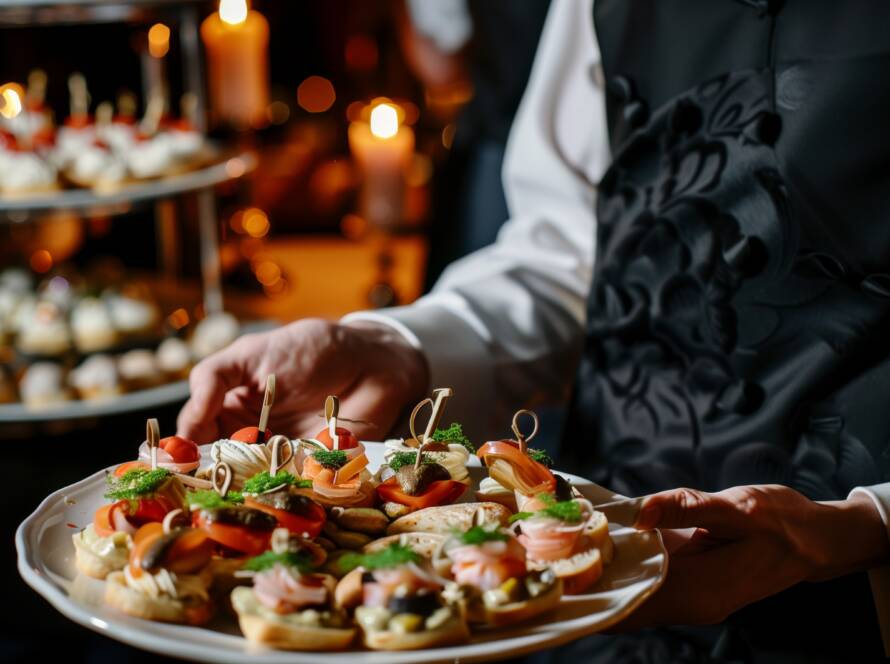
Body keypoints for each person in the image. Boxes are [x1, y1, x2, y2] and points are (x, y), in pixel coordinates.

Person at [178, 0, 890, 659]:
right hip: (592, 577)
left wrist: (864, 524)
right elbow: (565, 256)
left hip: (858, 600)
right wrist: (394, 347)